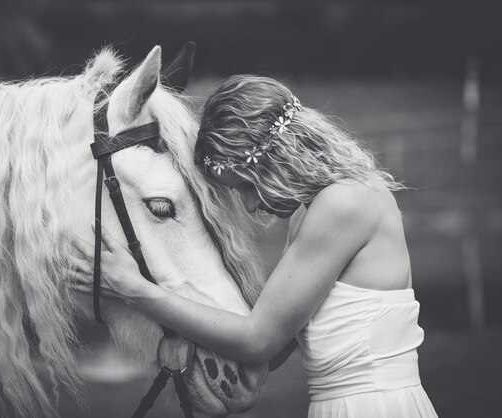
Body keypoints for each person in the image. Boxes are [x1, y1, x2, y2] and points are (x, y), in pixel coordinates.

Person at [69, 75, 438, 417]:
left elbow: (258, 340)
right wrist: (183, 345)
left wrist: (135, 290)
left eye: (245, 184)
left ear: (275, 158)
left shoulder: (344, 205)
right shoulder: (311, 214)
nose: (248, 204)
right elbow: (275, 344)